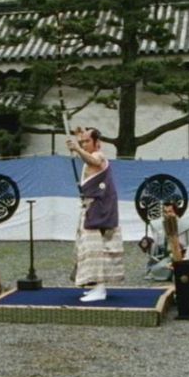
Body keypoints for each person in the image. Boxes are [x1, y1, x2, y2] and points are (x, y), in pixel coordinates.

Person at [66, 127, 124, 302]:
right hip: (90, 208)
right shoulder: (88, 156)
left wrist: (77, 148)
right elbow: (87, 157)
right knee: (87, 248)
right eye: (82, 142)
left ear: (97, 142)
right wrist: (80, 136)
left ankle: (100, 289)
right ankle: (94, 286)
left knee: (96, 249)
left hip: (99, 211)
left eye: (87, 141)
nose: (84, 144)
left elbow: (94, 161)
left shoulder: (99, 156)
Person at [139, 201, 189, 281]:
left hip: (183, 256)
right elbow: (158, 245)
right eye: (165, 212)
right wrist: (149, 244)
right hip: (166, 256)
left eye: (170, 211)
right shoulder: (160, 225)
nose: (167, 214)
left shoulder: (186, 226)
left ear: (175, 212)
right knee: (157, 268)